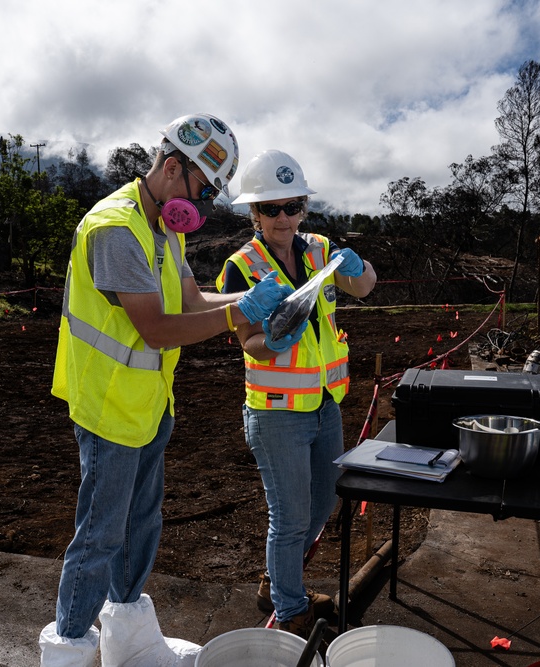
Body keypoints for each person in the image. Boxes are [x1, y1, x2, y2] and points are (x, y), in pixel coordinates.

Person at [39, 115, 298, 667]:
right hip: (108, 405)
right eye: (203, 190)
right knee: (99, 535)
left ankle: (128, 634)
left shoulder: (163, 229)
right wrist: (241, 316)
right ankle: (68, 649)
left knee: (141, 523)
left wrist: (250, 299)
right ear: (172, 167)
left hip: (150, 402)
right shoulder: (113, 228)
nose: (202, 206)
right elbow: (157, 327)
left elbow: (189, 302)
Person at [216, 149, 377, 638]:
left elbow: (365, 287)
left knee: (324, 503)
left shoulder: (321, 250)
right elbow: (249, 343)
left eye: (293, 206)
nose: (283, 218)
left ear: (304, 208)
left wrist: (358, 263)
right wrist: (274, 340)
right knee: (289, 517)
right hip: (276, 412)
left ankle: (277, 579)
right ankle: (290, 607)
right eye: (271, 209)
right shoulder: (241, 267)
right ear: (254, 214)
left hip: (325, 402)